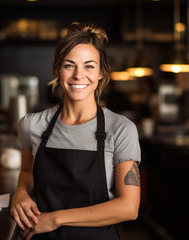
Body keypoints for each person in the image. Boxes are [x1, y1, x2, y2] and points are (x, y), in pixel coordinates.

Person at [10, 22, 141, 240]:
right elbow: (26, 173)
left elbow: (128, 207)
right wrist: (20, 194)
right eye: (69, 65)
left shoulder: (120, 129)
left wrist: (54, 219)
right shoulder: (31, 125)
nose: (79, 75)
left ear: (101, 72)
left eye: (89, 66)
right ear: (57, 69)